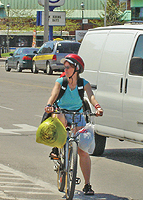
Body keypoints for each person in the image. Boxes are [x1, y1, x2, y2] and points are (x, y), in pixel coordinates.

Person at [44, 54, 103, 195]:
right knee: (59, 116)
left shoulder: (84, 83)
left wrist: (98, 107)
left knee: (83, 151)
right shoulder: (61, 82)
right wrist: (49, 105)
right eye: (64, 67)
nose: (65, 69)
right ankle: (58, 148)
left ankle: (87, 185)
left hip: (78, 114)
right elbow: (54, 94)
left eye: (67, 67)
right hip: (61, 112)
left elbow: (91, 96)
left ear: (76, 68)